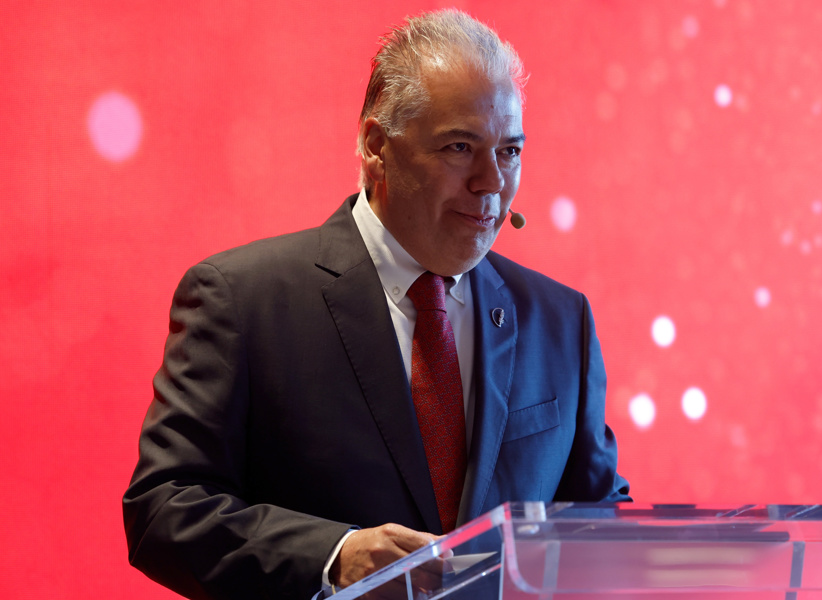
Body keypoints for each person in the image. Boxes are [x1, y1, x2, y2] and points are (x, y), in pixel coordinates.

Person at [123, 9, 630, 600]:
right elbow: (164, 510)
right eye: (461, 147)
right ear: (375, 146)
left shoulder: (560, 320)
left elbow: (596, 517)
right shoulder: (241, 300)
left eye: (510, 151)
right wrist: (333, 558)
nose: (491, 182)